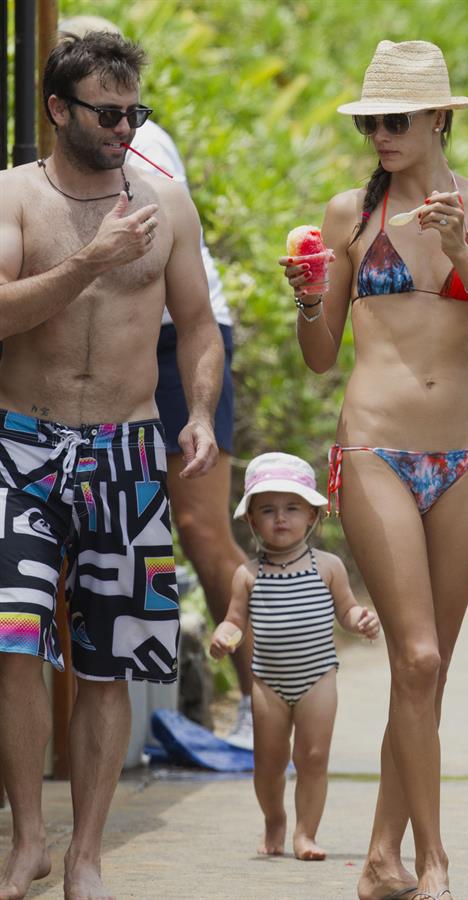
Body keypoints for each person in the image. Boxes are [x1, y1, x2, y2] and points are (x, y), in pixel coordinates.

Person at [279, 40, 468, 900]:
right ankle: (434, 861)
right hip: (375, 446)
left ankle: (381, 860)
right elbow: (319, 357)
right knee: (415, 659)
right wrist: (310, 296)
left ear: (437, 120)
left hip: (461, 457)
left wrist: (463, 253)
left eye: (396, 120)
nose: (381, 133)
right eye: (371, 121)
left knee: (428, 673)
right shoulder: (351, 211)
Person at [0, 31, 223, 900]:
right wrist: (89, 261)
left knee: (108, 660)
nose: (124, 125)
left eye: (135, 110)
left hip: (129, 451)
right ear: (58, 110)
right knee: (12, 637)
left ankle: (86, 853)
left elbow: (199, 327)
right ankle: (29, 838)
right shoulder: (16, 197)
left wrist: (198, 412)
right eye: (107, 111)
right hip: (20, 441)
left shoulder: (167, 204)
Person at [59, 14, 253, 750]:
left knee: (203, 526)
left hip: (178, 329)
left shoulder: (134, 138)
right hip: (101, 339)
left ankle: (273, 707)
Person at [210, 452, 380, 861]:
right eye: (267, 510)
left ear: (312, 516)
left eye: (292, 508)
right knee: (268, 762)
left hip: (318, 676)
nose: (280, 518)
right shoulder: (247, 574)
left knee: (314, 757)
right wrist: (223, 637)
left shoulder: (328, 567)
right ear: (251, 520)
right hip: (268, 681)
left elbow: (346, 609)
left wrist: (361, 620)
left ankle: (306, 833)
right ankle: (274, 819)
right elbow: (235, 621)